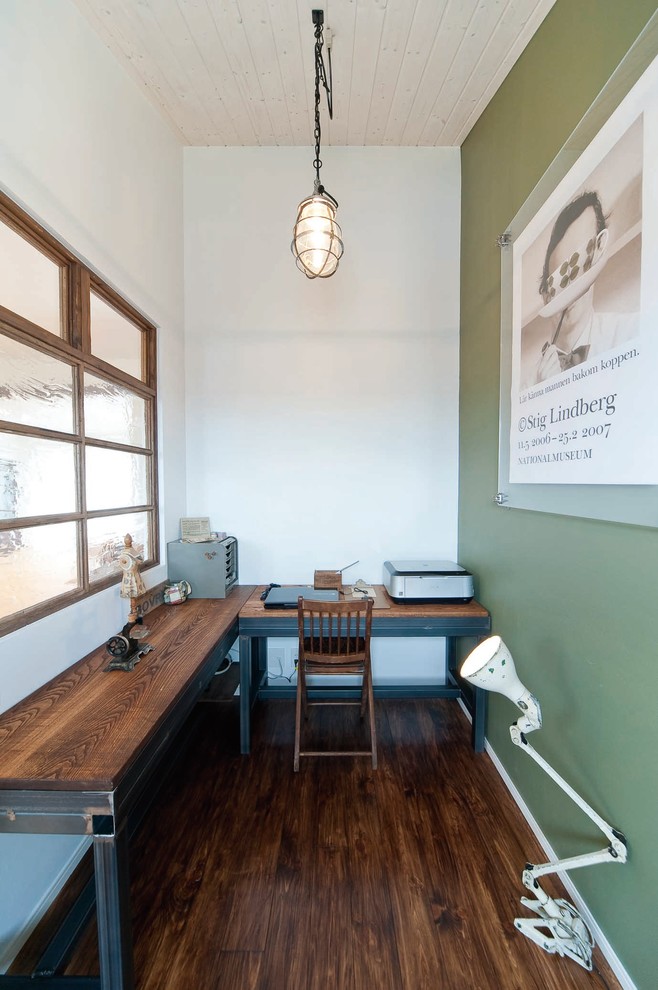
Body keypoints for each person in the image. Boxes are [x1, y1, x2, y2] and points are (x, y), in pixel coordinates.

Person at [531, 190, 638, 385]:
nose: (571, 290)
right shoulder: (530, 382)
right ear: (546, 296)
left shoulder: (630, 333)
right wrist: (542, 391)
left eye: (581, 264)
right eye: (560, 282)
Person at [117, 533, 146, 599]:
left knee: (134, 596)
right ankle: (133, 608)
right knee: (132, 595)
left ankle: (133, 608)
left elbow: (140, 560)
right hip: (132, 578)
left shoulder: (127, 552)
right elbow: (140, 560)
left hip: (131, 578)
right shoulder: (129, 552)